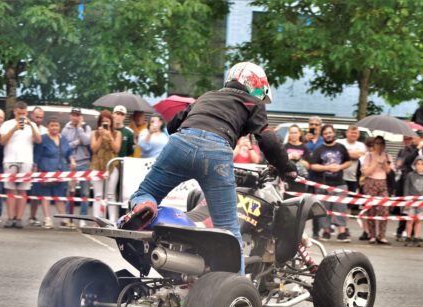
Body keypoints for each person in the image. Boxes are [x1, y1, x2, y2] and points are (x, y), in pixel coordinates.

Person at [119, 61, 297, 275]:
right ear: (254, 85)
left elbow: (172, 126)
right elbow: (268, 140)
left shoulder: (206, 97)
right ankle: (236, 289)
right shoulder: (252, 103)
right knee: (229, 231)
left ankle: (145, 206)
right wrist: (287, 168)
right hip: (216, 153)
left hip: (180, 144)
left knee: (145, 193)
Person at [0, 100, 42, 228]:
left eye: (23, 113)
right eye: (19, 113)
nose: (21, 116)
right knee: (10, 190)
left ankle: (19, 218)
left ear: (27, 113)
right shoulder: (7, 124)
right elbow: (2, 141)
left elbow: (38, 140)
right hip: (10, 159)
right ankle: (10, 217)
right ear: (15, 112)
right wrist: (14, 128)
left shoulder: (32, 124)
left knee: (23, 191)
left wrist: (31, 126)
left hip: (26, 160)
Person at [309, 124, 351, 242]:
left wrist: (339, 167)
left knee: (341, 208)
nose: (328, 135)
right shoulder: (319, 149)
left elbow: (348, 162)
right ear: (323, 135)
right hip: (324, 184)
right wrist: (326, 168)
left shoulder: (341, 147)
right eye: (326, 133)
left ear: (334, 133)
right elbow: (313, 165)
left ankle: (342, 233)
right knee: (324, 209)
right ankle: (326, 231)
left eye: (330, 132)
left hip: (340, 183)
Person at [34, 118, 74, 229]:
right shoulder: (43, 139)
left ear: (59, 127)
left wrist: (72, 160)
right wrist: (35, 171)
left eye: (56, 125)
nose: (54, 128)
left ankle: (64, 219)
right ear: (48, 127)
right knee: (45, 196)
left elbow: (68, 153)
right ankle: (47, 219)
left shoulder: (63, 139)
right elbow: (36, 156)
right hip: (45, 172)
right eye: (52, 125)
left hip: (60, 173)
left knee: (59, 197)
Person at [61, 107, 92, 228]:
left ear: (81, 116)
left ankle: (82, 217)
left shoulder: (86, 127)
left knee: (85, 192)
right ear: (70, 116)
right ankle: (69, 216)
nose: (76, 117)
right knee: (70, 191)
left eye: (78, 115)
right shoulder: (65, 129)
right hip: (71, 162)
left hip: (84, 162)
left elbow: (86, 141)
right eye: (74, 115)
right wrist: (75, 143)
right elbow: (65, 147)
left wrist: (79, 128)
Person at [90, 110, 122, 223]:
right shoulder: (94, 133)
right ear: (99, 122)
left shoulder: (117, 133)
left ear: (111, 122)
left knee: (110, 195)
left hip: (112, 166)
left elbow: (117, 149)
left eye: (107, 122)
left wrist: (109, 136)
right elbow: (94, 149)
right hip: (97, 166)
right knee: (98, 195)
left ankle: (113, 221)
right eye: (103, 122)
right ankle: (97, 220)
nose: (105, 124)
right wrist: (100, 136)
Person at [361, 135, 393, 244]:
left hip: (383, 183)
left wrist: (384, 163)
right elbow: (365, 172)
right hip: (371, 182)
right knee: (371, 210)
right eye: (377, 143)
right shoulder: (368, 156)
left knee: (384, 209)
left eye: (381, 143)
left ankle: (382, 235)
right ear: (373, 145)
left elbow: (389, 171)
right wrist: (375, 162)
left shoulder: (387, 156)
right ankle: (372, 235)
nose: (379, 146)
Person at [403, 156, 423, 246]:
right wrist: (406, 199)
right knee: (410, 220)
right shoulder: (410, 175)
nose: (420, 166)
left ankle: (416, 237)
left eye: (422, 164)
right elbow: (406, 188)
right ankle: (408, 237)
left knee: (418, 220)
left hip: (422, 202)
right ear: (415, 165)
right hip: (411, 201)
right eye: (418, 164)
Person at [27, 106, 48, 226]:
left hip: (41, 164)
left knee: (38, 192)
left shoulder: (45, 130)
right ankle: (30, 216)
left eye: (41, 117)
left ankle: (33, 216)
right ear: (31, 116)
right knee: (29, 192)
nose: (39, 119)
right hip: (29, 161)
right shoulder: (27, 128)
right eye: (37, 116)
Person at [337, 125, 367, 195]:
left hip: (353, 178)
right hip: (339, 177)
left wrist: (345, 153)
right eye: (351, 132)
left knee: (351, 200)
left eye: (355, 133)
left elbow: (359, 156)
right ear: (347, 133)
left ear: (358, 134)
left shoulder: (361, 145)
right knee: (339, 198)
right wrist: (354, 154)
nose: (353, 134)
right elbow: (338, 155)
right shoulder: (339, 142)